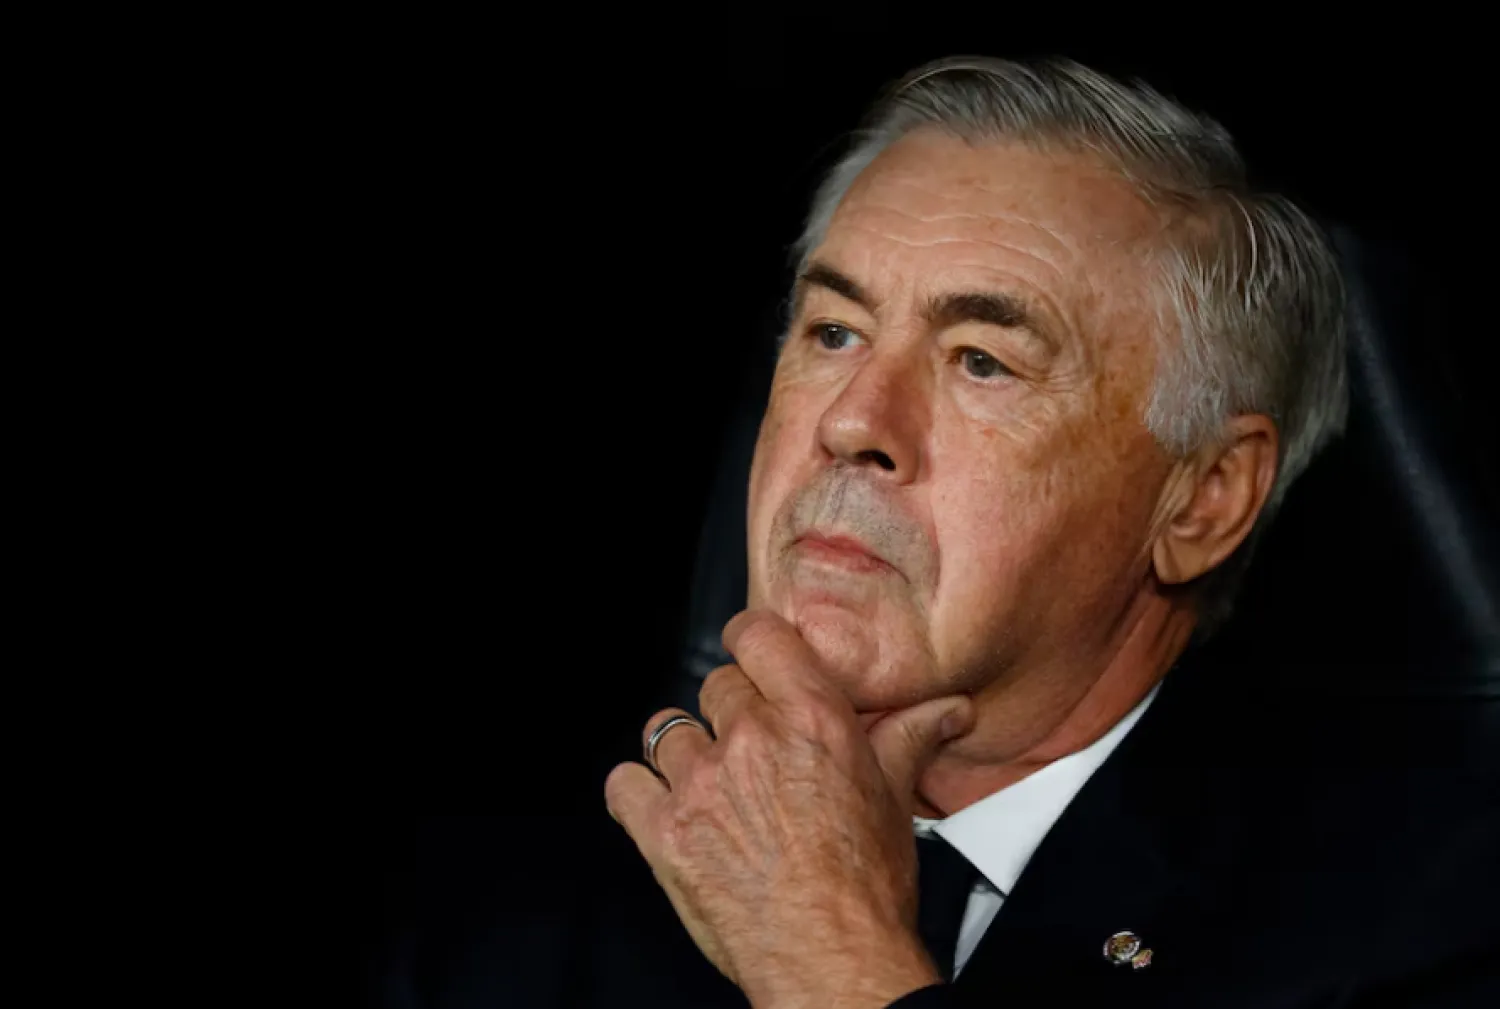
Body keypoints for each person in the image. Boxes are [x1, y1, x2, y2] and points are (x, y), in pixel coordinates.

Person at [373, 56, 1498, 1009]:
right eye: (832, 331)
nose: (854, 422)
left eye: (982, 361)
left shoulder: (1429, 927)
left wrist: (830, 957)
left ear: (1201, 498)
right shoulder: (499, 906)